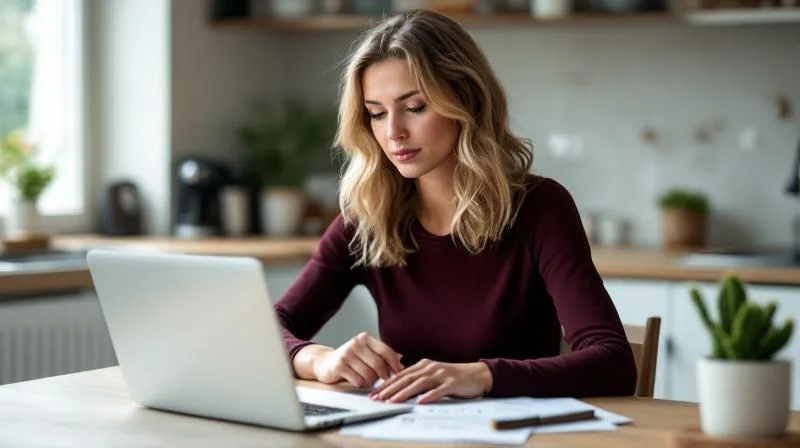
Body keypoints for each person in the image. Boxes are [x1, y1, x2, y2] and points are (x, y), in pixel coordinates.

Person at [275, 9, 637, 405]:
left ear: (465, 100)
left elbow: (613, 362)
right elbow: (269, 326)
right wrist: (318, 360)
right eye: (377, 113)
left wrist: (482, 376)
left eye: (414, 107)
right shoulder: (369, 216)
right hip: (403, 434)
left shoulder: (539, 207)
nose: (393, 131)